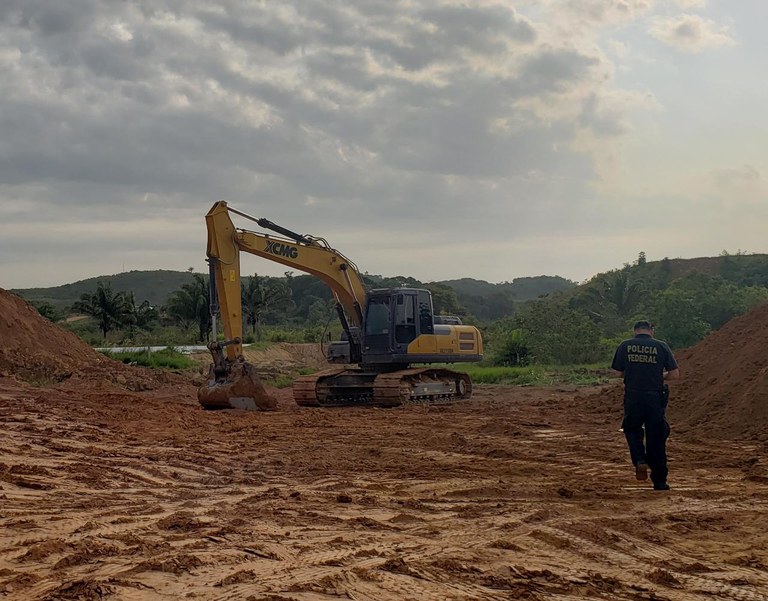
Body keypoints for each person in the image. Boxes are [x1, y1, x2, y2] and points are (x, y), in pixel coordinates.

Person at [611, 320, 680, 491]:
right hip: (654, 397)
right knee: (656, 436)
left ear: (635, 331)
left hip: (633, 396)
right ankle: (660, 481)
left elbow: (618, 373)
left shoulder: (625, 346)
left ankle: (640, 460)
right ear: (651, 331)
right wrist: (657, 375)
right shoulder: (661, 346)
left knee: (632, 429)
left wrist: (635, 373)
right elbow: (674, 374)